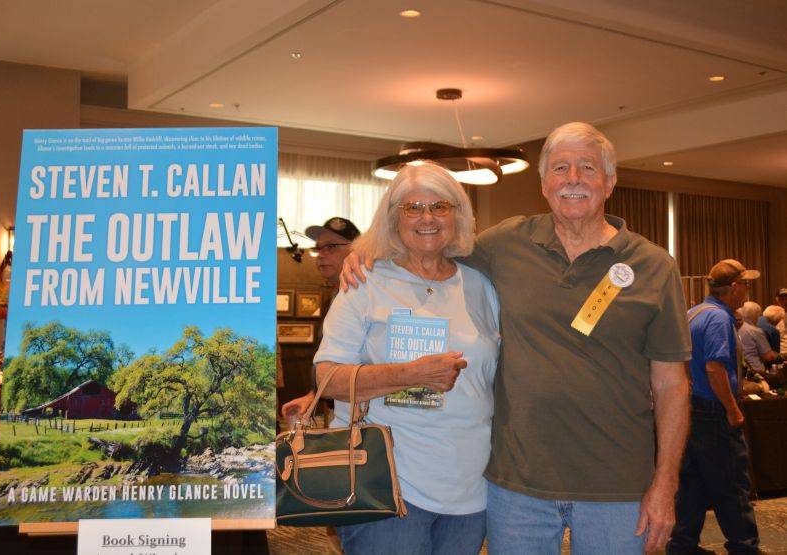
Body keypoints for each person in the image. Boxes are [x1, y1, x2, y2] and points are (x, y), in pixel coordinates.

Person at [343, 122, 691, 553]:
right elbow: (429, 238)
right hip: (516, 487)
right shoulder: (505, 244)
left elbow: (672, 385)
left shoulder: (654, 266)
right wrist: (364, 250)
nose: (574, 179)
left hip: (616, 485)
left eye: (588, 167)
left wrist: (666, 485)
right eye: (561, 168)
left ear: (610, 181)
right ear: (544, 183)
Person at [315, 164, 500, 554]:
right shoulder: (365, 282)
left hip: (470, 486)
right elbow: (327, 379)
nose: (427, 217)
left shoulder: (482, 285)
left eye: (440, 206)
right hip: (388, 482)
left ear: (458, 215)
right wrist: (410, 374)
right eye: (413, 207)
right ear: (393, 217)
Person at [667, 259, 762, 554]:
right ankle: (744, 545)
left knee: (693, 481)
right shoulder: (718, 319)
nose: (748, 289)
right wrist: (732, 409)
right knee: (732, 482)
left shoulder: (693, 313)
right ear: (733, 287)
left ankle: (682, 544)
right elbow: (714, 369)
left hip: (692, 408)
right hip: (713, 410)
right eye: (746, 284)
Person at [279, 217, 360, 420]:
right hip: (339, 408)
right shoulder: (337, 295)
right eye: (319, 248)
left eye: (331, 247)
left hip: (364, 414)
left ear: (356, 249)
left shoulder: (366, 296)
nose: (321, 255)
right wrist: (314, 394)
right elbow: (331, 358)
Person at [738, 301, 781, 376]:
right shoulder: (755, 331)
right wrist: (781, 356)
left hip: (741, 370)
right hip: (755, 371)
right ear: (755, 315)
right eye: (759, 315)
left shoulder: (735, 327)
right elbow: (768, 356)